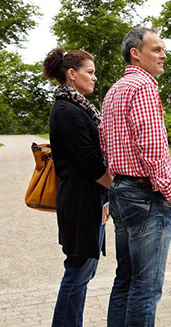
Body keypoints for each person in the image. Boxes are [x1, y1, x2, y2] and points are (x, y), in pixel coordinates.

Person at [101, 27, 171, 327]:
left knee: (125, 280)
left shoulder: (115, 89)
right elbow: (151, 144)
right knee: (146, 287)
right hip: (146, 194)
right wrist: (169, 190)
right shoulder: (144, 87)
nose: (163, 55)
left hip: (121, 191)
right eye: (157, 49)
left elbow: (104, 143)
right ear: (136, 53)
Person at [44, 48, 113, 327]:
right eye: (90, 72)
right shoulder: (66, 110)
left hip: (89, 199)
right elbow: (87, 161)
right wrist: (116, 187)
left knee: (84, 270)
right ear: (72, 75)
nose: (94, 78)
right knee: (78, 270)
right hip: (80, 201)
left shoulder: (78, 107)